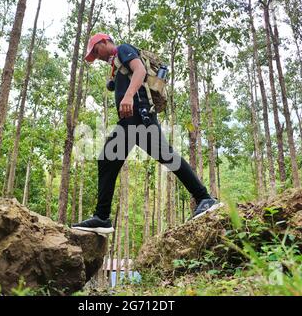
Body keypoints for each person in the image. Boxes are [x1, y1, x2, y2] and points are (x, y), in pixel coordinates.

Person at [72, 33, 223, 234]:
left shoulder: (124, 49)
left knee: (108, 159)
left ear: (105, 42)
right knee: (160, 157)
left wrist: (127, 96)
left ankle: (102, 217)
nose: (96, 56)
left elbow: (140, 70)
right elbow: (126, 78)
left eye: (96, 51)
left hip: (137, 116)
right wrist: (115, 82)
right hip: (136, 119)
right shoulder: (116, 65)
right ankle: (204, 198)